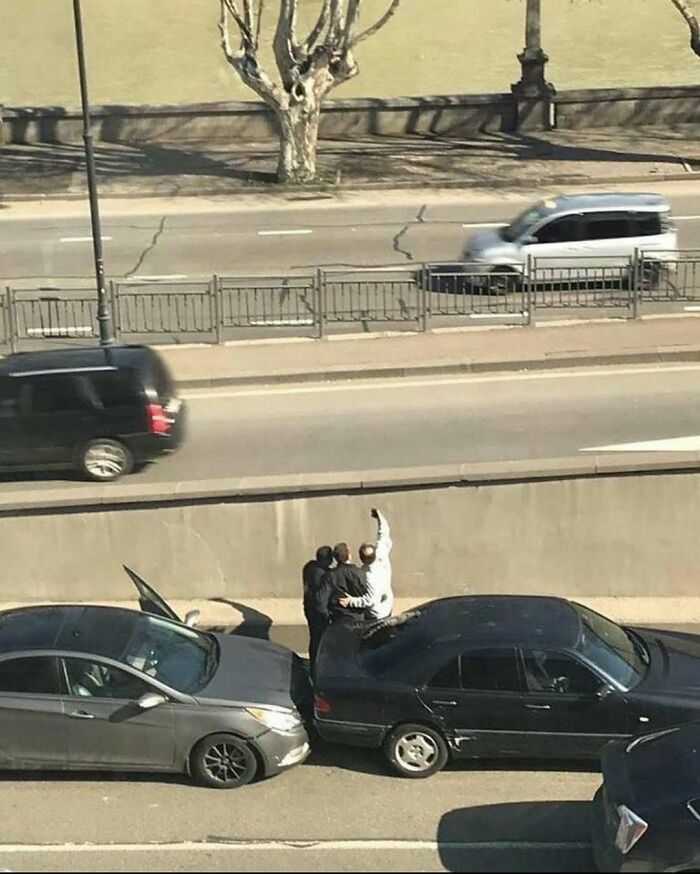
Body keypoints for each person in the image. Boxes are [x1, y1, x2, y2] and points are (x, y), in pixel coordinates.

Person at [339, 508, 394, 621]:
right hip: (388, 604)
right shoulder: (381, 555)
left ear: (361, 558)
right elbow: (384, 533)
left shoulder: (367, 576)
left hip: (377, 614)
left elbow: (370, 600)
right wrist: (379, 517)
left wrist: (351, 601)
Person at [302, 546, 334, 669]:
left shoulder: (309, 567)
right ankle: (318, 666)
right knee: (320, 639)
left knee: (314, 637)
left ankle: (314, 663)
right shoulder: (323, 575)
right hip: (319, 611)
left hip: (308, 607)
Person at [326, 542, 368, 626]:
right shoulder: (359, 573)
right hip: (357, 617)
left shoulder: (331, 575)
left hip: (338, 617)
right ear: (349, 555)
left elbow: (326, 596)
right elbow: (366, 593)